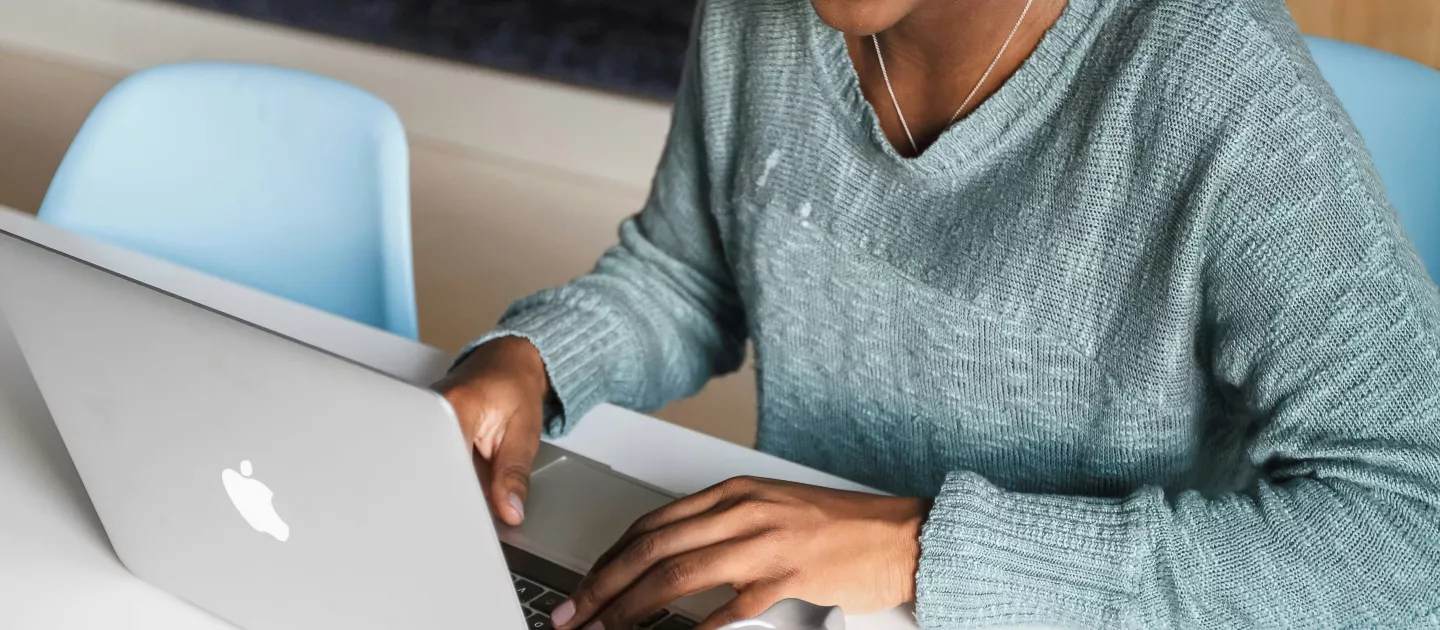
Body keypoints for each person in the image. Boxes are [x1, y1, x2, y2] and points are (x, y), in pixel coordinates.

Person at [432, 0, 1440, 627]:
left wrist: (925, 550)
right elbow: (690, 272)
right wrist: (536, 359)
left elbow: (1414, 524)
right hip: (800, 604)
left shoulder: (1215, 82)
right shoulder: (759, 17)